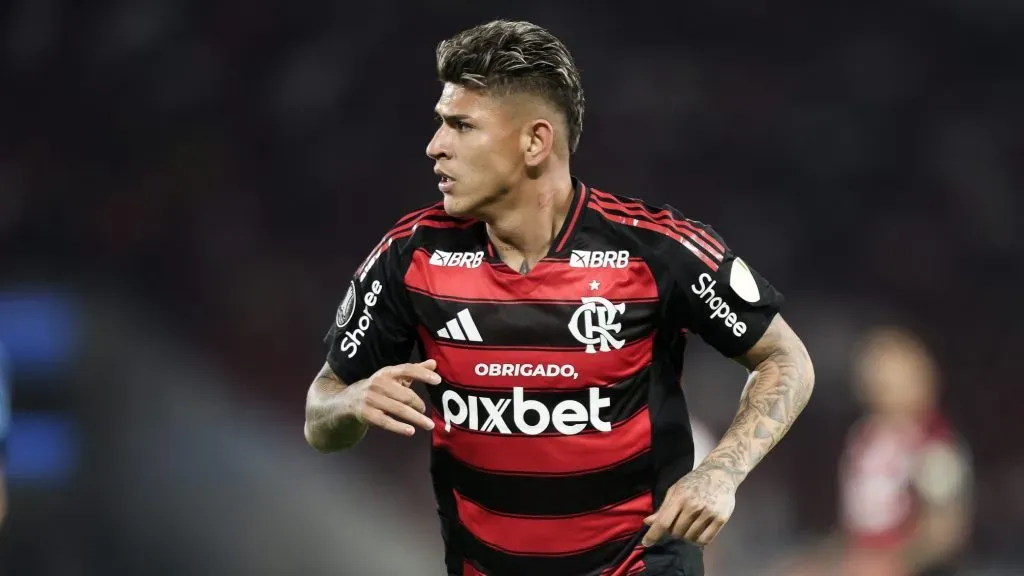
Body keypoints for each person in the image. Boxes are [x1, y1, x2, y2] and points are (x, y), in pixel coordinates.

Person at [304, 20, 815, 576]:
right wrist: (350, 404)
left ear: (535, 141)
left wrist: (721, 471)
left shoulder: (655, 249)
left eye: (461, 125)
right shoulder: (411, 255)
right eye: (439, 125)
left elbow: (786, 358)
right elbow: (319, 413)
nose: (435, 147)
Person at [835, 326, 972, 576]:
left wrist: (897, 562)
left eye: (895, 381)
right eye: (878, 382)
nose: (885, 391)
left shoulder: (933, 444)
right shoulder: (864, 439)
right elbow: (859, 525)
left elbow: (945, 530)